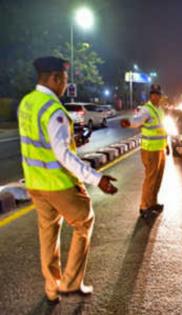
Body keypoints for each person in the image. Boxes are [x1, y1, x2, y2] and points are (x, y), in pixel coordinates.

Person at [18, 56, 118, 304]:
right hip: (59, 184)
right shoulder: (54, 111)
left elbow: (42, 143)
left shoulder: (27, 103)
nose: (65, 85)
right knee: (84, 222)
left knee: (48, 233)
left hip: (35, 183)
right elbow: (62, 155)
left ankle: (52, 287)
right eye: (63, 79)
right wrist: (97, 179)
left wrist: (74, 142)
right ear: (54, 78)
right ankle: (71, 283)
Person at [120, 84, 169, 218]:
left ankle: (153, 203)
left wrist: (167, 144)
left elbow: (163, 128)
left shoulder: (160, 110)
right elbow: (137, 121)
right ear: (150, 96)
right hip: (150, 150)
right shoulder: (146, 110)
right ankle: (144, 206)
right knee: (151, 178)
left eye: (158, 94)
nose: (156, 97)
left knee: (158, 178)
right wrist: (129, 123)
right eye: (154, 94)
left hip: (160, 148)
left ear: (160, 96)